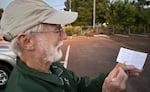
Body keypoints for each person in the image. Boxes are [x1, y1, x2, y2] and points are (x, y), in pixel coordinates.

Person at [0, 0, 142, 92]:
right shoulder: (23, 88)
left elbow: (79, 86)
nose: (64, 36)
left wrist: (110, 77)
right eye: (57, 30)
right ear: (27, 42)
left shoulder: (51, 65)